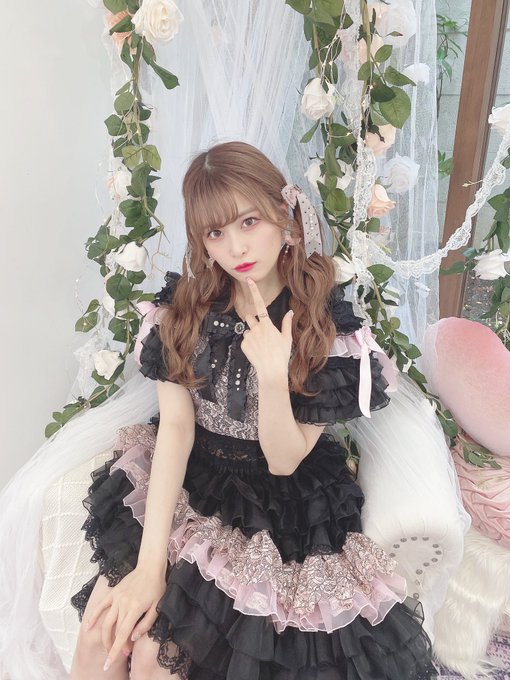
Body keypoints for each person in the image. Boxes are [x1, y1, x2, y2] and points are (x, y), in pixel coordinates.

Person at [69, 141, 435, 679]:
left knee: (154, 660)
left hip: (283, 509)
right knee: (102, 633)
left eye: (249, 221)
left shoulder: (323, 325)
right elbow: (176, 429)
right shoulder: (185, 310)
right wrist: (149, 568)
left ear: (284, 219)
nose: (236, 246)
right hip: (198, 480)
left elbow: (285, 460)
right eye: (215, 233)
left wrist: (271, 373)